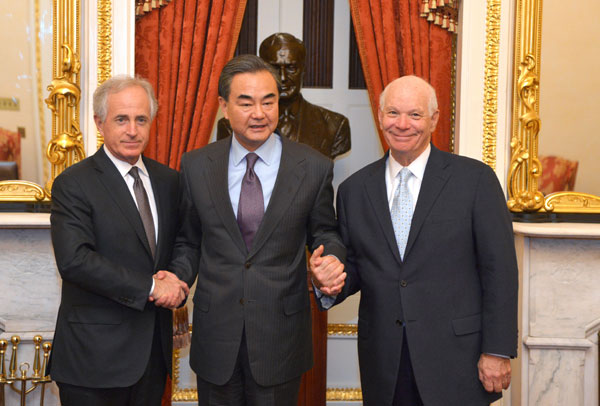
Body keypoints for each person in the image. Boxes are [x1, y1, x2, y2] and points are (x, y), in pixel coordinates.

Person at [310, 75, 518, 405]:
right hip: (384, 361)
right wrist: (328, 281)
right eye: (393, 113)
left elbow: (500, 272)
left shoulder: (474, 180)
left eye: (415, 115)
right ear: (380, 117)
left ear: (434, 119)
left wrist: (496, 350)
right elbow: (356, 268)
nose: (402, 124)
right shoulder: (354, 191)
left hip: (457, 359)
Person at [168, 54, 346, 405]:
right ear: (223, 106)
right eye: (246, 103)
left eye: (269, 101)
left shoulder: (313, 167)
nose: (260, 113)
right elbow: (189, 242)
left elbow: (326, 233)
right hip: (216, 336)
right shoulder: (196, 165)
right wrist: (177, 277)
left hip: (281, 338)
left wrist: (332, 261)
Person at [49, 75, 190, 406]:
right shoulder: (73, 183)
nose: (133, 130)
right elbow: (75, 260)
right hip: (92, 360)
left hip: (152, 359)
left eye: (141, 119)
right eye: (121, 119)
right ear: (99, 123)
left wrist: (178, 278)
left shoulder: (169, 181)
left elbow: (185, 241)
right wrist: (153, 288)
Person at [217, 32, 351, 159]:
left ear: (303, 69)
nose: (282, 77)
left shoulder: (334, 125)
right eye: (274, 68)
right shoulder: (229, 125)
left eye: (291, 68)